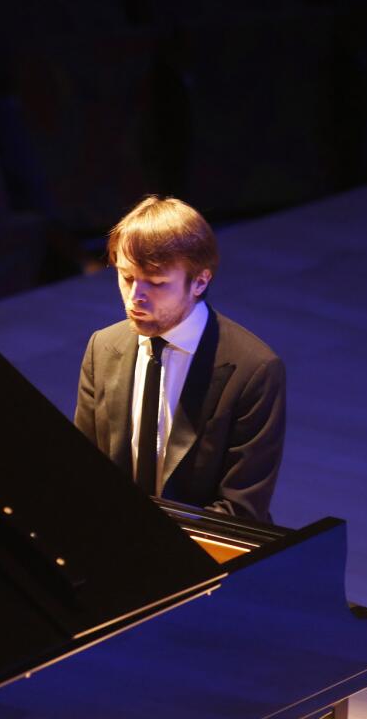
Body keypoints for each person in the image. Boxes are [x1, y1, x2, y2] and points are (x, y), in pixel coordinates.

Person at [73, 196, 285, 522]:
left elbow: (240, 509)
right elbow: (85, 471)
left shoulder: (254, 370)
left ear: (200, 281)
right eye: (127, 277)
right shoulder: (102, 347)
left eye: (156, 283)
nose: (135, 298)